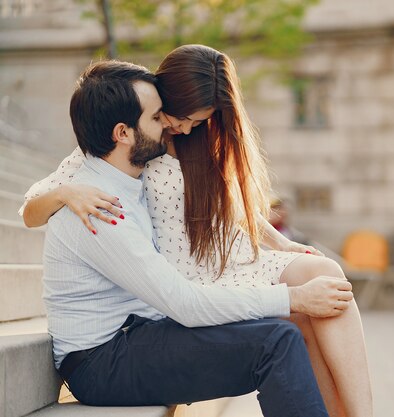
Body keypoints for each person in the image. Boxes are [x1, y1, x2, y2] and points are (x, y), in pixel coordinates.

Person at [21, 45, 372, 417]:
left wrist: (284, 247)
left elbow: (228, 206)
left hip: (139, 328)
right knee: (278, 338)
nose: (174, 128)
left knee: (305, 306)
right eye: (160, 118)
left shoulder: (129, 177)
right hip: (107, 356)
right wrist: (294, 298)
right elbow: (184, 303)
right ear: (123, 132)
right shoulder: (100, 204)